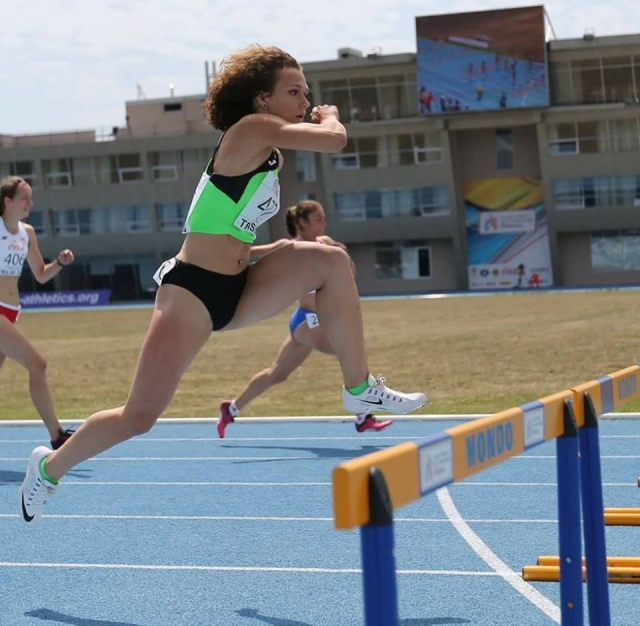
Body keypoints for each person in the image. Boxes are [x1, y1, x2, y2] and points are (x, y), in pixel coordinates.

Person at [19, 44, 426, 525]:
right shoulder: (251, 129)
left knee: (331, 261)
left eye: (307, 93)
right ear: (262, 99)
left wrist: (271, 251)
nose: (305, 100)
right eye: (294, 92)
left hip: (239, 284)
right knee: (138, 417)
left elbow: (227, 229)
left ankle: (359, 388)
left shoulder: (268, 153)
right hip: (192, 292)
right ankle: (48, 468)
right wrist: (331, 116)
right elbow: (334, 141)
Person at [217, 200, 393, 438]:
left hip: (317, 321)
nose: (324, 224)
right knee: (349, 351)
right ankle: (363, 416)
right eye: (318, 219)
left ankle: (230, 409)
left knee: (277, 374)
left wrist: (343, 256)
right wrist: (226, 253)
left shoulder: (326, 243)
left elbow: (349, 275)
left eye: (324, 219)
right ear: (302, 222)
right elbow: (251, 253)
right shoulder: (289, 247)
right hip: (306, 320)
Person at [0, 176, 75, 449]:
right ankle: (57, 435)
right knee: (38, 364)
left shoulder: (27, 233)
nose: (30, 203)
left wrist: (59, 263)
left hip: (11, 311)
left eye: (31, 198)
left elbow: (41, 274)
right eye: (25, 198)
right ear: (8, 201)